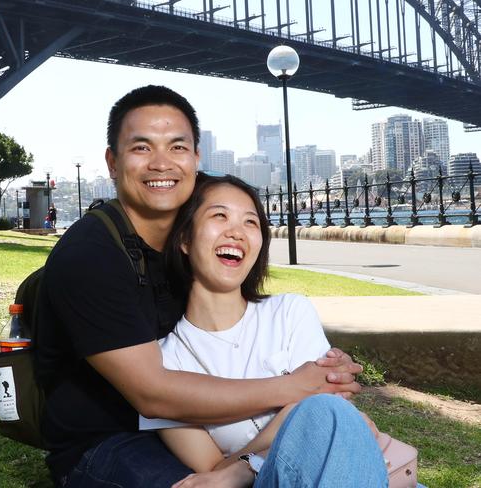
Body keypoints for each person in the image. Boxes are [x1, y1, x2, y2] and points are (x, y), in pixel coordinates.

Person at [34, 85, 363, 488]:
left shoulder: (196, 209)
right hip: (106, 439)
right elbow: (154, 394)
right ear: (112, 162)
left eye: (177, 147)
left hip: (189, 428)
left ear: (195, 158)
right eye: (141, 148)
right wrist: (295, 384)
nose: (161, 164)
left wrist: (322, 373)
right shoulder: (91, 254)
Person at [139, 173, 388, 487]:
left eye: (250, 222)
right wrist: (295, 408)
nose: (237, 233)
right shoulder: (162, 363)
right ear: (184, 239)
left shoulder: (289, 313)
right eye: (219, 216)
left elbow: (326, 416)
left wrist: (246, 464)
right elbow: (212, 470)